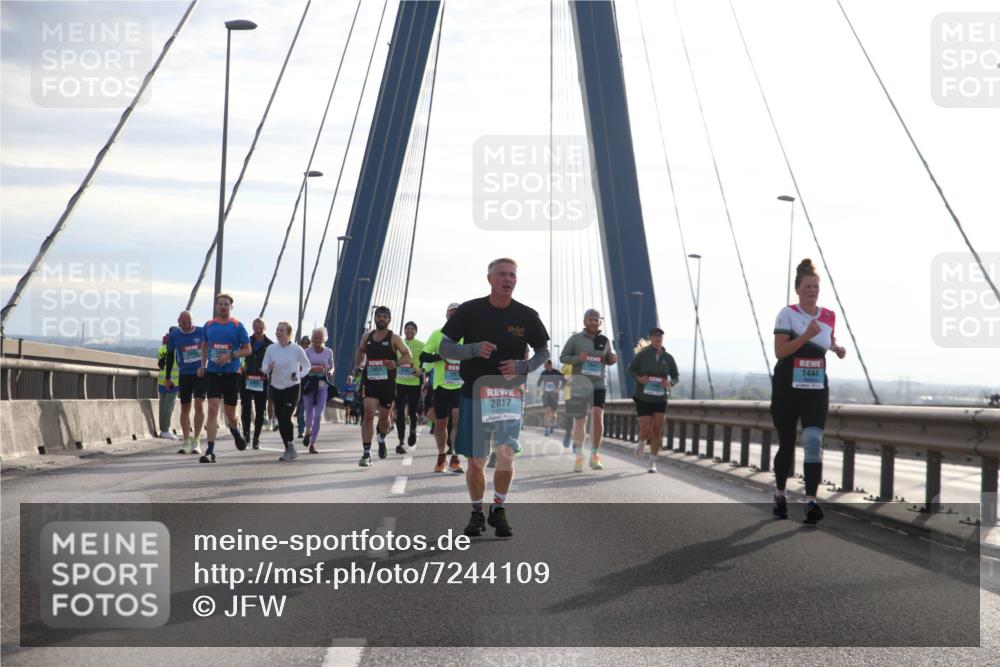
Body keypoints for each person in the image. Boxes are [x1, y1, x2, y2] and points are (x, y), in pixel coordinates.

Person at [438, 258, 549, 539]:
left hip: (508, 394)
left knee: (505, 454)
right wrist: (473, 349)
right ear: (490, 279)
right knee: (476, 460)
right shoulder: (470, 310)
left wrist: (523, 367)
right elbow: (444, 348)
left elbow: (543, 352)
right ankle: (476, 512)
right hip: (474, 392)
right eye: (502, 274)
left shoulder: (527, 315)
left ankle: (498, 507)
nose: (508, 279)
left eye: (512, 275)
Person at [771, 258, 847, 525]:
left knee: (814, 442)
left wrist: (836, 348)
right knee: (788, 445)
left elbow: (826, 338)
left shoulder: (829, 315)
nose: (812, 290)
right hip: (787, 389)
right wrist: (804, 337)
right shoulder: (787, 314)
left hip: (816, 389)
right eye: (807, 286)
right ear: (798, 288)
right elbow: (780, 352)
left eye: (816, 286)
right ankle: (780, 494)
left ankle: (811, 502)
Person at [560, 308, 618, 472]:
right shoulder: (575, 339)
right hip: (579, 384)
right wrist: (578, 358)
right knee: (580, 421)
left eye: (596, 319)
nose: (593, 321)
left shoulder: (604, 340)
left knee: (598, 415)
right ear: (584, 321)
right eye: (590, 319)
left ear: (600, 322)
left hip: (598, 383)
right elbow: (563, 358)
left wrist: (612, 359)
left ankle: (595, 454)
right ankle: (579, 455)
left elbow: (608, 359)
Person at [197, 293, 252, 463]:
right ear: (216, 306)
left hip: (231, 373)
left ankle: (235, 431)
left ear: (231, 307)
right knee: (212, 408)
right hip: (213, 372)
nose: (223, 307)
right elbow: (205, 346)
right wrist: (202, 365)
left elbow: (248, 349)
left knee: (230, 414)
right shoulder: (209, 325)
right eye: (220, 304)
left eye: (226, 304)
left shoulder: (237, 326)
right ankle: (210, 450)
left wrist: (231, 356)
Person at [355, 306, 411, 466]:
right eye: (378, 316)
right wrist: (357, 366)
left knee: (385, 419)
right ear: (374, 318)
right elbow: (361, 351)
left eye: (384, 317)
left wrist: (396, 363)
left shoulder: (394, 338)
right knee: (368, 414)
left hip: (387, 384)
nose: (381, 319)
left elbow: (408, 355)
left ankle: (381, 438)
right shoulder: (367, 336)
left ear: (389, 319)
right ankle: (366, 453)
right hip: (370, 382)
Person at [628, 327, 679, 473]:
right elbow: (631, 369)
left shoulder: (668, 358)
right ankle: (642, 441)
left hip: (660, 398)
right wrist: (639, 378)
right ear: (650, 338)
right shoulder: (643, 355)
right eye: (655, 336)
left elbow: (675, 376)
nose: (658, 338)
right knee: (645, 430)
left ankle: (652, 462)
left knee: (657, 429)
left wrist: (670, 383)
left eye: (660, 336)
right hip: (644, 397)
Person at [421, 304, 465, 473]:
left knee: (457, 418)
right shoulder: (437, 334)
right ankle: (441, 457)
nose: (454, 315)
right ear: (446, 315)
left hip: (460, 385)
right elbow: (423, 356)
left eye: (457, 313)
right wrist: (440, 356)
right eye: (451, 312)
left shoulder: (468, 335)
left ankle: (454, 457)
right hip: (440, 386)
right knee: (441, 424)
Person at [262, 322, 311, 461]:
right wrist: (268, 368)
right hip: (276, 387)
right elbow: (264, 367)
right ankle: (288, 448)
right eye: (277, 330)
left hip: (292, 387)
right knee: (280, 420)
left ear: (289, 333)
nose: (278, 332)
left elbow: (307, 365)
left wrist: (299, 375)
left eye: (281, 330)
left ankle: (290, 447)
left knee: (285, 416)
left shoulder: (297, 349)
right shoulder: (271, 349)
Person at [165, 311, 206, 454]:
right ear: (179, 322)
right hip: (184, 375)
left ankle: (196, 441)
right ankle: (186, 441)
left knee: (199, 405)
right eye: (184, 323)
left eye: (190, 322)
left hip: (200, 374)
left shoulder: (202, 332)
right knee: (185, 407)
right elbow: (170, 356)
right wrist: (168, 377)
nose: (188, 326)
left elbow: (210, 349)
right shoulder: (174, 336)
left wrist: (206, 366)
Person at [240, 318, 273, 450]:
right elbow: (239, 356)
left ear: (265, 328)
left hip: (262, 379)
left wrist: (267, 369)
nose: (258, 331)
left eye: (261, 328)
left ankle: (256, 439)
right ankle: (246, 437)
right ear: (253, 327)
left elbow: (274, 363)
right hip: (246, 378)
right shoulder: (246, 342)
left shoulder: (270, 345)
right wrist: (240, 367)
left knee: (260, 411)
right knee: (246, 408)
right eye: (256, 328)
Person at [303, 327, 335, 454]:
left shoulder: (328, 352)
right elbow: (302, 367)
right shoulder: (306, 352)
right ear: (312, 338)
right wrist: (313, 369)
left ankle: (313, 443)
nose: (317, 340)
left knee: (318, 416)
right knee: (309, 413)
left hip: (322, 386)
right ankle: (307, 432)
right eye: (315, 337)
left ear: (324, 339)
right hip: (309, 384)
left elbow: (332, 366)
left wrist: (330, 372)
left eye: (320, 338)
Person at [394, 321, 425, 453]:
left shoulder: (421, 345)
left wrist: (422, 370)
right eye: (407, 329)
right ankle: (401, 442)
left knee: (412, 412)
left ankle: (412, 431)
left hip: (414, 383)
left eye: (412, 329)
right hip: (400, 382)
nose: (410, 331)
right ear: (404, 331)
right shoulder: (399, 343)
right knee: (400, 412)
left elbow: (428, 360)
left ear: (416, 332)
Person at [156, 329, 179, 440]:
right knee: (169, 407)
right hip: (172, 381)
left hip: (161, 380)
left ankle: (162, 430)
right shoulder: (175, 349)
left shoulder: (161, 348)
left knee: (162, 406)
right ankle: (166, 430)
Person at [536, 360, 565, 437]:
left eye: (545, 365)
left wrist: (558, 389)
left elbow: (565, 381)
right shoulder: (543, 373)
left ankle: (553, 424)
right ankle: (547, 429)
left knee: (553, 413)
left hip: (555, 395)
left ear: (550, 365)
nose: (544, 367)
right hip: (546, 395)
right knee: (547, 411)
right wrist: (538, 389)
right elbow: (539, 383)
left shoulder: (557, 372)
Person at [295, 335, 310, 438]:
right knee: (301, 410)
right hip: (299, 384)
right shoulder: (297, 354)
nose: (306, 346)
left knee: (308, 410)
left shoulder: (312, 355)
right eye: (304, 344)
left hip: (310, 385)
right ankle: (301, 430)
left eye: (308, 344)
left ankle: (308, 428)